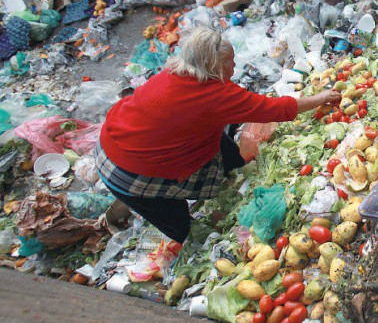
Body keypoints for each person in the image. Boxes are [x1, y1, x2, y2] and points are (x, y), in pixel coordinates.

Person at [95, 28, 340, 275]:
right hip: (127, 171)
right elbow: (275, 109)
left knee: (222, 144)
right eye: (229, 62)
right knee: (177, 219)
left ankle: (233, 175)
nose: (234, 66)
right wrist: (321, 98)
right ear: (212, 66)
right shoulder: (214, 95)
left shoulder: (176, 72)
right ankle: (195, 253)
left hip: (117, 139)